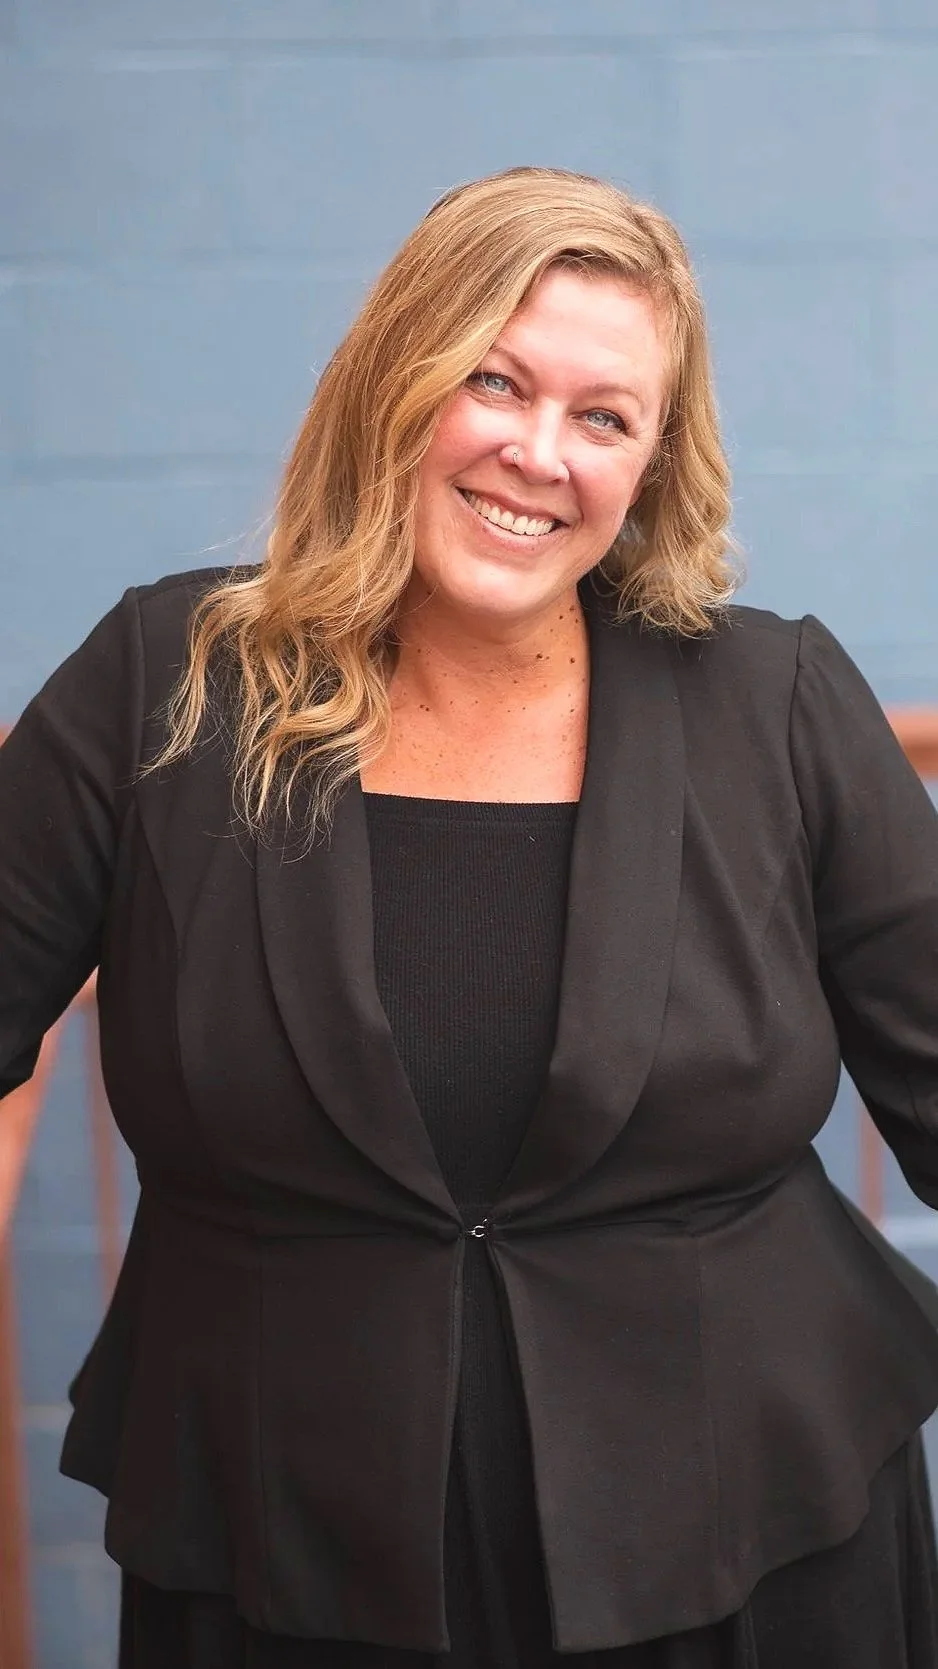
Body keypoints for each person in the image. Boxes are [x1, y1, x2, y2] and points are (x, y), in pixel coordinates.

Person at [3, 165, 938, 1669]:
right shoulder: (164, 684)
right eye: (492, 380)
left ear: (650, 464)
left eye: (603, 416)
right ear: (398, 377)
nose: (535, 452)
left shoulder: (773, 704)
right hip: (280, 1557)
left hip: (754, 1552)